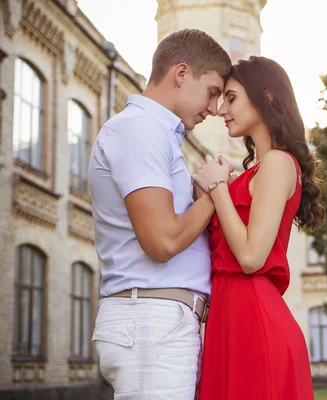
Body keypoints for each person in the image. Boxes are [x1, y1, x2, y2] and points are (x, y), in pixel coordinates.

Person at [87, 29, 231, 400]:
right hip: (150, 321)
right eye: (212, 92)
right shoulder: (140, 128)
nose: (215, 108)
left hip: (160, 322)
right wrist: (216, 194)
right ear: (181, 74)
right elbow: (162, 240)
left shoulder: (159, 134)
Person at [192, 56, 326, 400]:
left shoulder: (279, 163)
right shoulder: (255, 172)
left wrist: (218, 189)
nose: (221, 109)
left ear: (266, 96)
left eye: (231, 97)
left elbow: (251, 256)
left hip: (254, 323)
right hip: (231, 320)